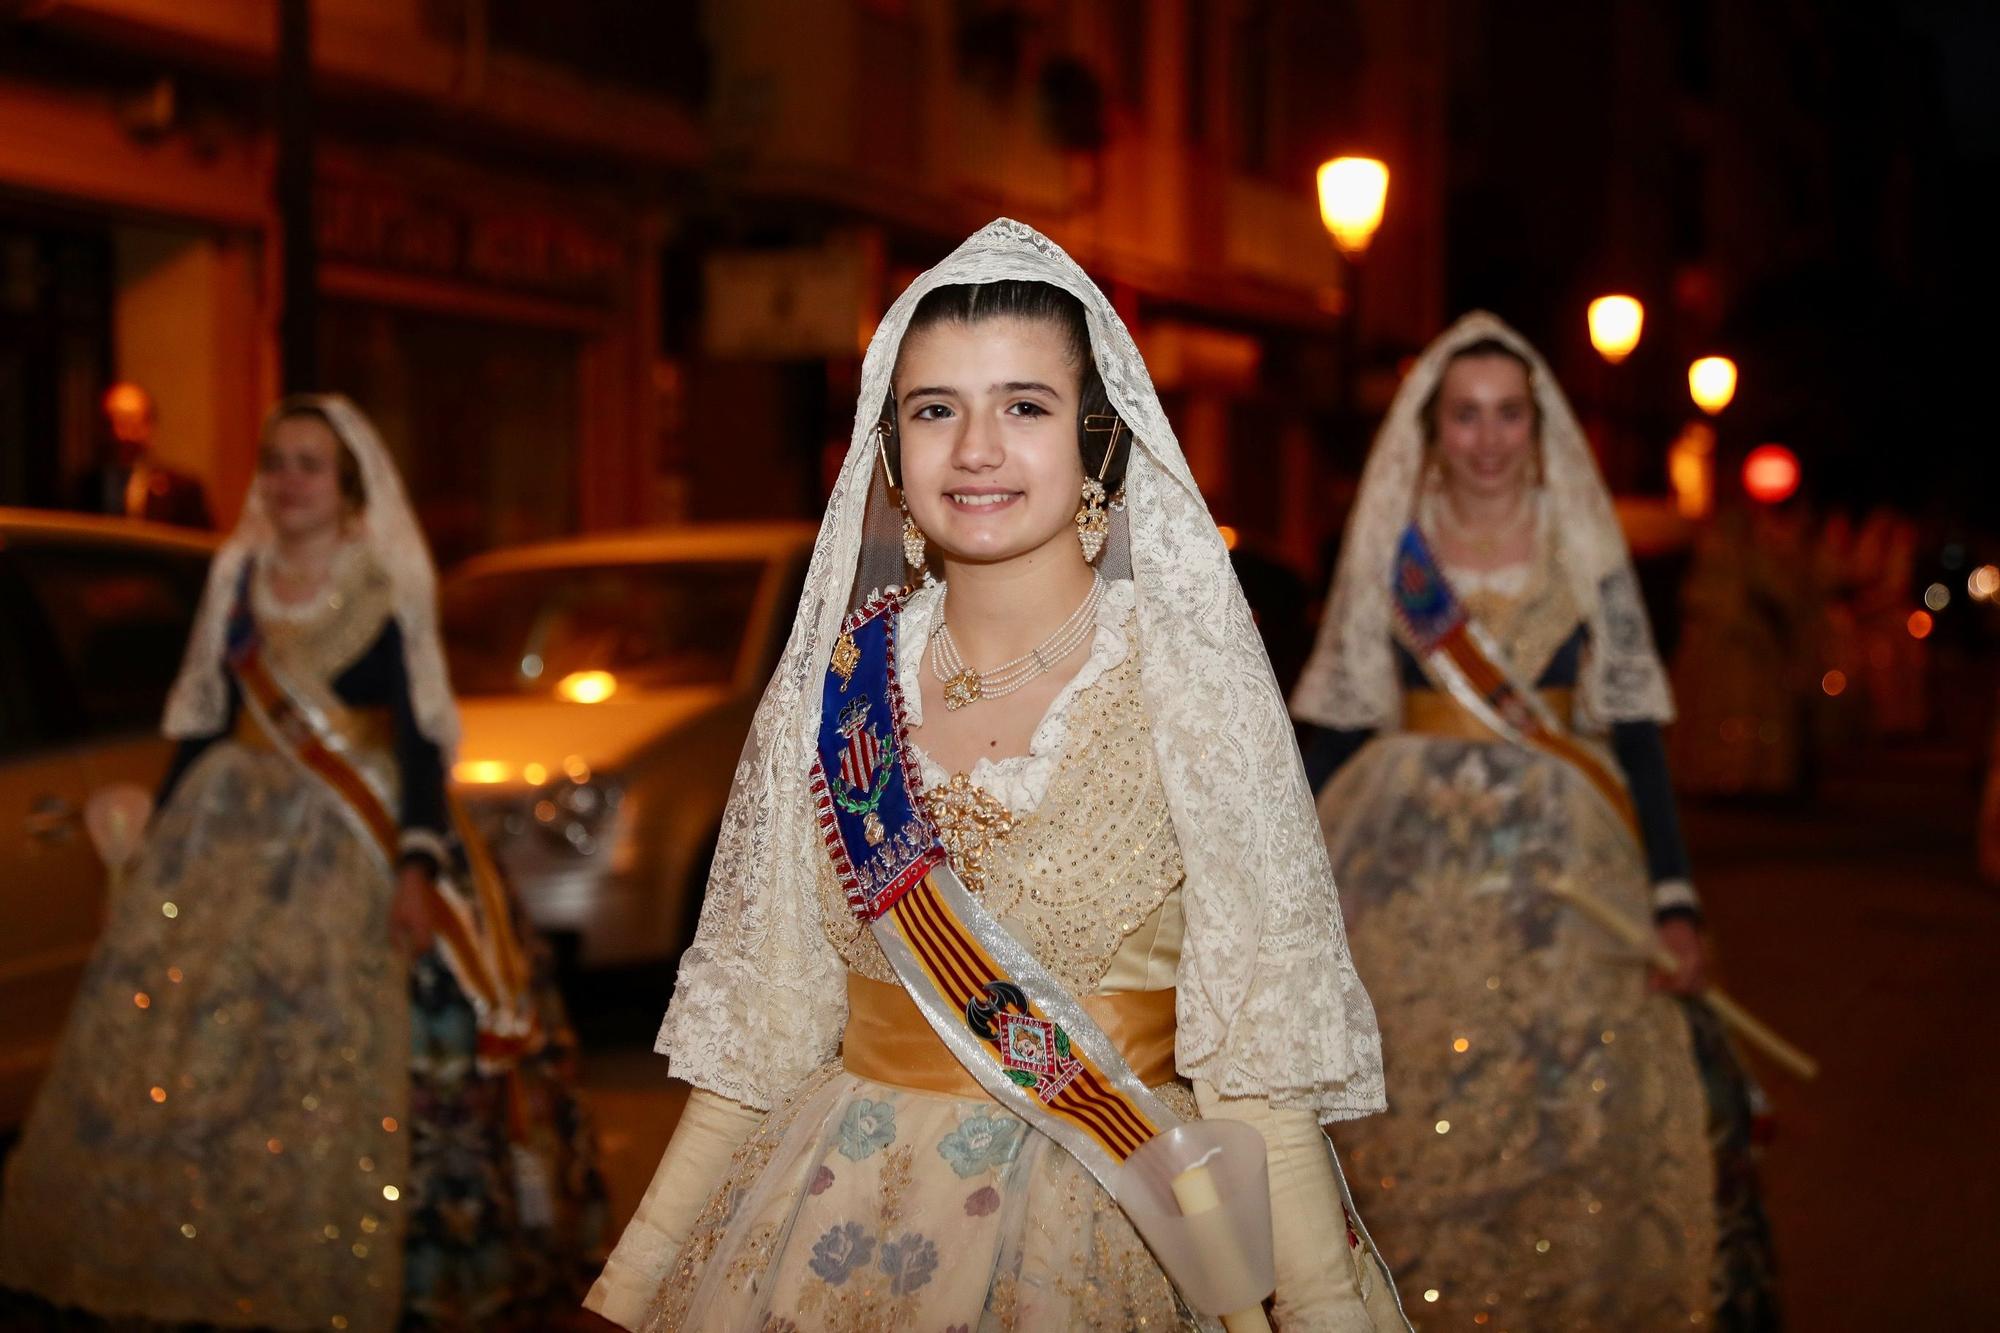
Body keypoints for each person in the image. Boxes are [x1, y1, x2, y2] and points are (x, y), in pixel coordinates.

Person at [585, 219, 1406, 1331]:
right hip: (818, 1230)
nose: (974, 449)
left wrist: (1316, 1310)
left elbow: (1256, 1063)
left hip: (1113, 1224)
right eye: (934, 410)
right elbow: (760, 1040)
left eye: (1023, 406)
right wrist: (625, 1291)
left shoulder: (1186, 686)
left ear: (1096, 440)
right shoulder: (836, 687)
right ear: (889, 447)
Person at [0, 395, 603, 1331]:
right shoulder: (240, 576)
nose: (286, 482)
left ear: (348, 486)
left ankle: (393, 1262)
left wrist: (412, 862)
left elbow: (412, 739)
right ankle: (209, 1250)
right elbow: (203, 721)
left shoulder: (382, 583)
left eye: (308, 466)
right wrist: (158, 827)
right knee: (199, 1050)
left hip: (355, 843)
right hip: (231, 834)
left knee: (345, 1045)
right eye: (275, 462)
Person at [1291, 313, 1753, 1330]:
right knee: (1396, 1109)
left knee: (1561, 1104)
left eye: (1508, 415)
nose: (1487, 438)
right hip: (1403, 862)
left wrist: (1672, 897)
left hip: (1558, 865)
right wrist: (1262, 852)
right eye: (1466, 415)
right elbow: (1332, 726)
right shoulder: (1389, 546)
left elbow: (1631, 733)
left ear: (1538, 432)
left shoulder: (1582, 545)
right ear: (1432, 427)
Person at [71, 381, 213, 527]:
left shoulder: (183, 491)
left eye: (130, 423)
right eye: (111, 422)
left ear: (149, 426)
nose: (120, 434)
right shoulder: (84, 487)